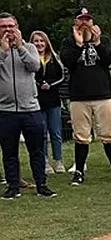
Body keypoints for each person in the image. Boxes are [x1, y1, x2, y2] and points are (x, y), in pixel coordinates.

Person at [59, 8, 111, 186]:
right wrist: (79, 45)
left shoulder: (104, 40)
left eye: (88, 20)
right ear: (75, 23)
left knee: (108, 133)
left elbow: (108, 59)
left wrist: (97, 42)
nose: (85, 23)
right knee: (81, 135)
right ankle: (79, 170)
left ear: (93, 24)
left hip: (102, 95)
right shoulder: (69, 42)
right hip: (79, 96)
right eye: (81, 20)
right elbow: (67, 62)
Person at [0, 12, 55, 199]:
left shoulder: (30, 47)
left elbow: (35, 66)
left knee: (36, 149)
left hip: (30, 108)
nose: (8, 30)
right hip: (6, 110)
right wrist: (4, 50)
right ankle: (13, 186)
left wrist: (20, 46)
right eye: (3, 27)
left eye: (10, 26)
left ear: (17, 27)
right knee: (9, 152)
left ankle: (41, 185)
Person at [30, 30, 66, 175]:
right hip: (38, 101)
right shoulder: (30, 58)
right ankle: (44, 161)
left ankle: (58, 160)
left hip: (53, 101)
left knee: (56, 133)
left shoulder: (54, 58)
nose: (39, 44)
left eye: (41, 41)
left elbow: (62, 76)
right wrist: (39, 84)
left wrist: (50, 84)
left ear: (46, 43)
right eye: (36, 41)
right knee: (42, 134)